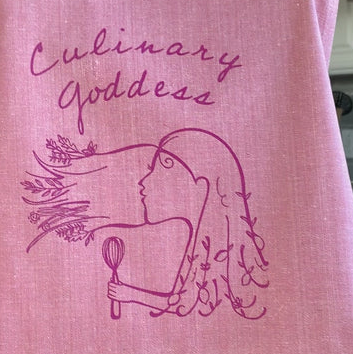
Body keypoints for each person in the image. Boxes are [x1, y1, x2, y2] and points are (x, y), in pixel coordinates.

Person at [107, 127, 269, 319]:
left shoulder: (220, 251)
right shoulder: (202, 247)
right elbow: (183, 301)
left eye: (157, 172)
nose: (143, 182)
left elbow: (187, 304)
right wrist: (130, 294)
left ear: (200, 186)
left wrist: (131, 295)